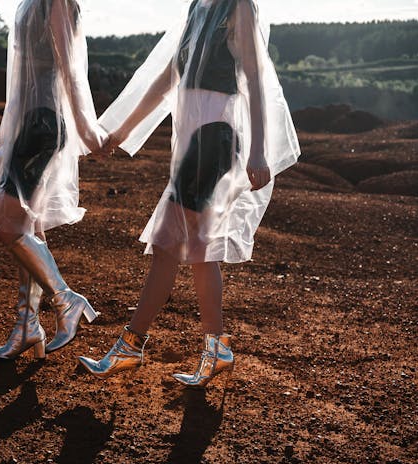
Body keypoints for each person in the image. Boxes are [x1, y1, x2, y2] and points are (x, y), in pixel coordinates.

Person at [78, 0, 300, 386]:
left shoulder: (238, 6)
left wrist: (260, 150)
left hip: (214, 137)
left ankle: (137, 346)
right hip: (196, 142)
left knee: (177, 244)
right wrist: (119, 133)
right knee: (187, 245)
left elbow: (255, 76)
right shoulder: (199, 7)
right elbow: (167, 78)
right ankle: (211, 349)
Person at [0, 0, 107, 360]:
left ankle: (66, 299)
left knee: (5, 222)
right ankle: (27, 326)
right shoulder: (31, 2)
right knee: (26, 226)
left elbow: (71, 66)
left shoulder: (56, 1)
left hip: (43, 122)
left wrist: (88, 131)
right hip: (31, 121)